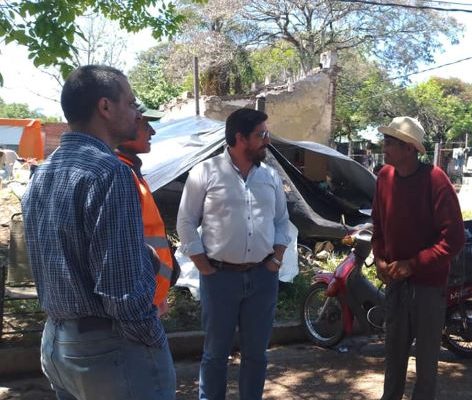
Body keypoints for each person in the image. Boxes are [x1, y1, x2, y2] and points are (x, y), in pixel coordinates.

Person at [21, 65, 175, 400]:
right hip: (108, 348)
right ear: (105, 107)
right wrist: (150, 332)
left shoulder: (42, 172)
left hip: (57, 342)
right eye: (132, 103)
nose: (137, 114)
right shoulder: (110, 172)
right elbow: (121, 291)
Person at [176, 108, 290, 400]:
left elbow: (281, 220)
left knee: (257, 354)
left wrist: (276, 260)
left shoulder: (270, 177)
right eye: (261, 135)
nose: (267, 140)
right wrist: (202, 264)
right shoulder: (206, 172)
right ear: (240, 138)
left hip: (263, 277)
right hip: (219, 278)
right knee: (215, 354)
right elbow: (186, 221)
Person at [371, 116, 466, 400]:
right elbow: (377, 224)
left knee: (426, 362)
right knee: (394, 357)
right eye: (385, 142)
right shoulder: (384, 177)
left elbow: (454, 238)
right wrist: (379, 259)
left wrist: (413, 264)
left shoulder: (435, 179)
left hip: (428, 285)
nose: (384, 149)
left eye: (391, 143)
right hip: (396, 282)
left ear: (410, 148)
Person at [116, 102, 178, 317]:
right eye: (144, 125)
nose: (152, 131)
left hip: (150, 300)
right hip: (140, 307)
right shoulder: (119, 175)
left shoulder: (131, 171)